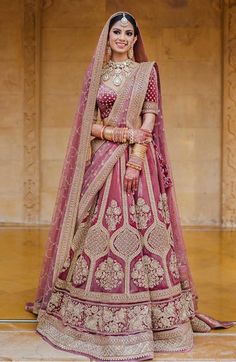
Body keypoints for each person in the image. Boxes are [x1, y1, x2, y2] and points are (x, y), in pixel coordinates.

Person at [25, 11, 234, 361]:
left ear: (135, 39)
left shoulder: (145, 72)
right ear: (107, 37)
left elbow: (150, 115)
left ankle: (152, 319)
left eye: (128, 33)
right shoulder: (96, 74)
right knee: (96, 230)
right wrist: (119, 134)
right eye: (116, 32)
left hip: (138, 162)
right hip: (104, 158)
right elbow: (88, 124)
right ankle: (90, 312)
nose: (121, 37)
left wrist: (136, 156)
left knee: (144, 229)